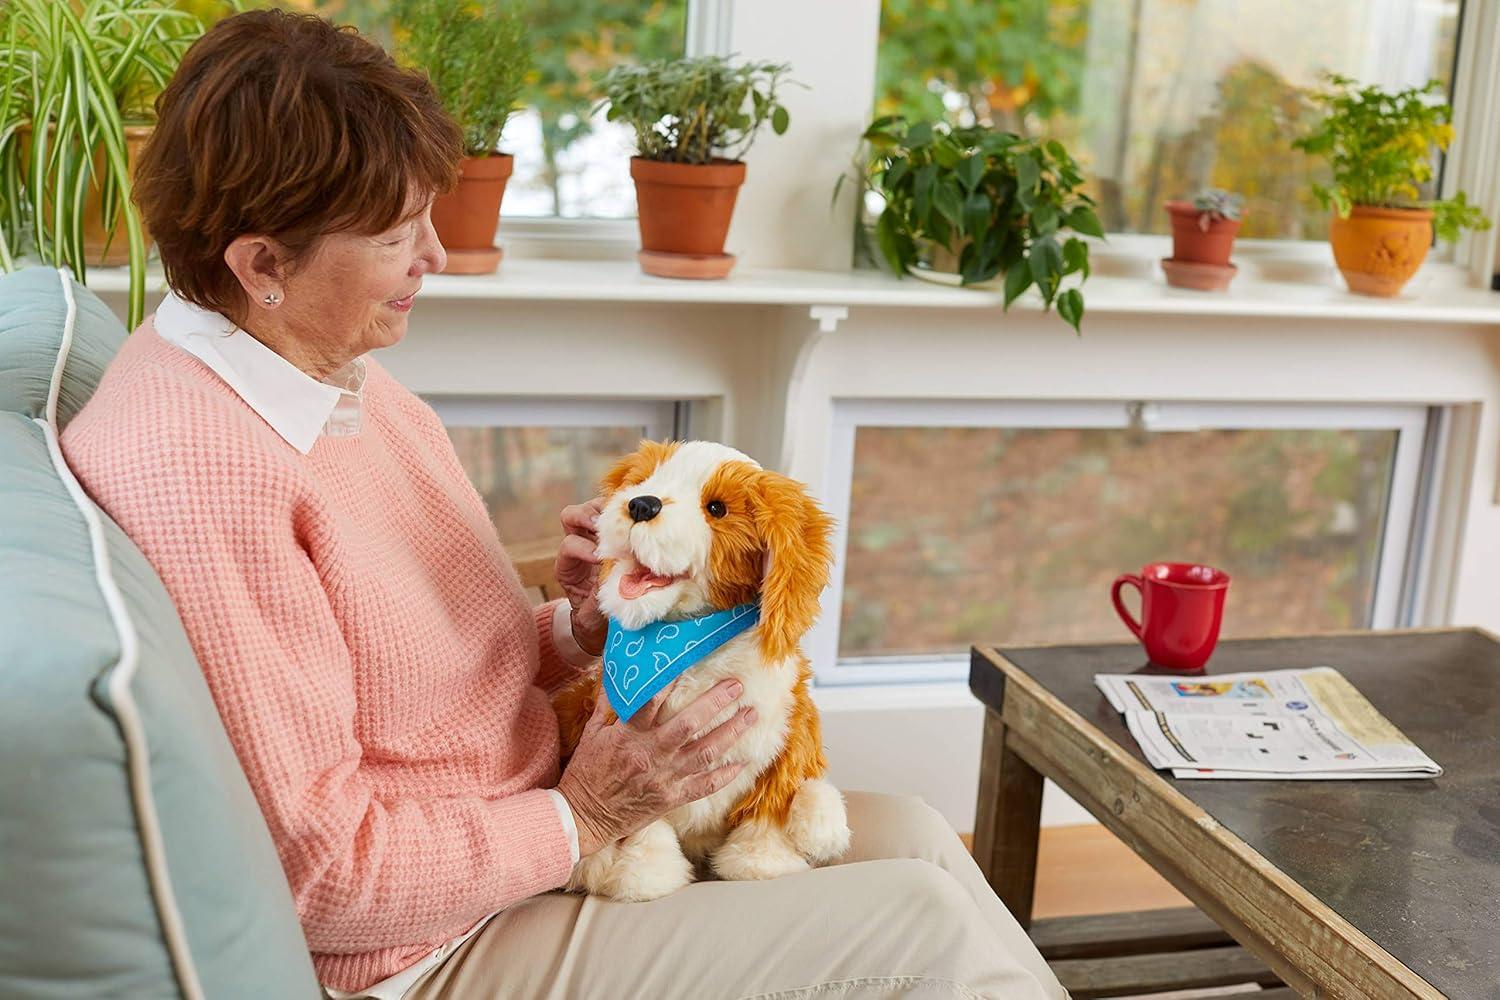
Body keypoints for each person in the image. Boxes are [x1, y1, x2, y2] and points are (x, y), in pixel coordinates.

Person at [59, 10, 1067, 999]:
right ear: (261, 264)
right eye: (396, 235)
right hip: (431, 944)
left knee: (924, 842)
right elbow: (325, 877)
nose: (436, 257)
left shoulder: (330, 378)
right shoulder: (205, 472)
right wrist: (583, 814)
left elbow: (420, 669)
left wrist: (580, 626)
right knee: (921, 928)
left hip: (532, 818)